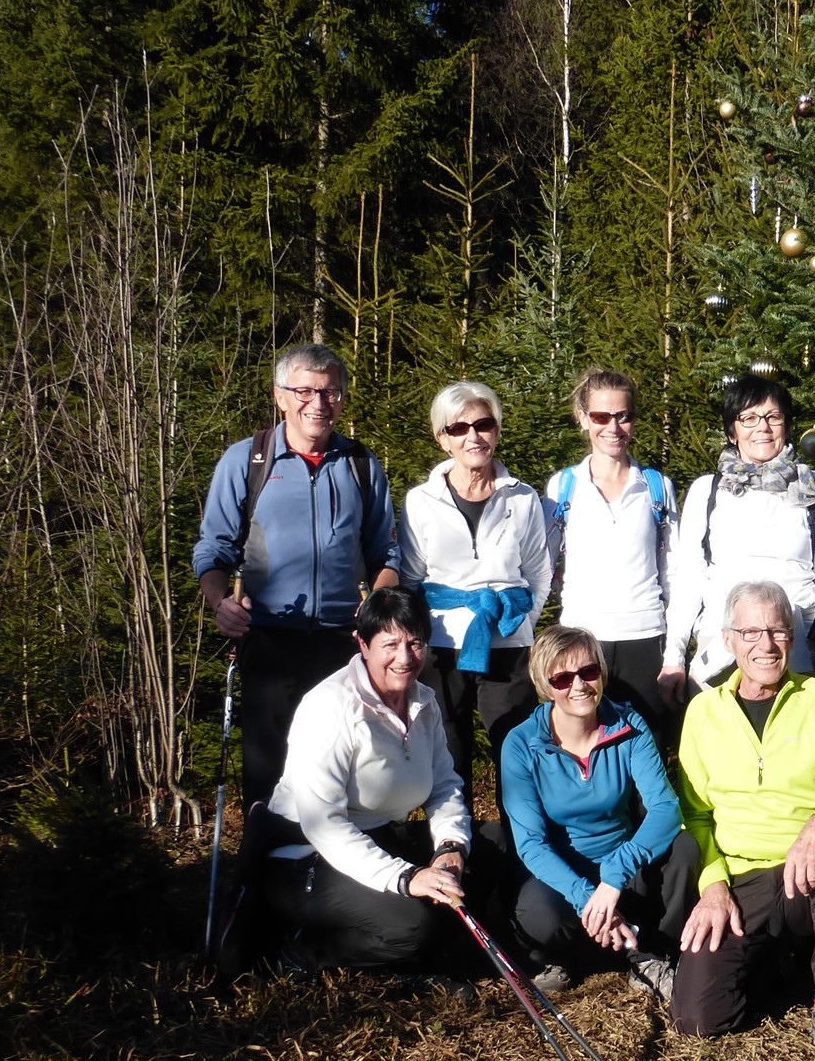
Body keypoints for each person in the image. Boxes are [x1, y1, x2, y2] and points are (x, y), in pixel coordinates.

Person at [671, 582, 815, 1061]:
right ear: (727, 640)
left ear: (791, 635)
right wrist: (714, 885)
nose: (765, 644)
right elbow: (695, 815)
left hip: (811, 874)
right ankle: (780, 966)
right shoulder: (703, 712)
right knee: (699, 1017)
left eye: (777, 630)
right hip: (741, 879)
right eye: (750, 632)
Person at [193, 345, 400, 811]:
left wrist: (377, 606)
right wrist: (220, 601)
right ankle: (264, 874)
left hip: (343, 643)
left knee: (342, 767)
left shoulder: (361, 465)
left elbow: (385, 552)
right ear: (280, 396)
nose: (318, 403)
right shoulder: (247, 461)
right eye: (304, 390)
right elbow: (213, 549)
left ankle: (332, 875)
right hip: (267, 639)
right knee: (269, 771)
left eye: (330, 392)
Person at [259, 586, 473, 973]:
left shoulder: (423, 700)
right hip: (307, 857)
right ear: (363, 643)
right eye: (390, 644)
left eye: (416, 643)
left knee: (484, 855)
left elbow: (444, 785)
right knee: (411, 924)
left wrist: (450, 846)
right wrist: (405, 877)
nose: (405, 658)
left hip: (382, 837)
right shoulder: (330, 706)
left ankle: (412, 954)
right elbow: (323, 825)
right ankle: (302, 952)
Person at [496, 626, 698, 1001]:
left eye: (589, 672)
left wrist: (614, 877)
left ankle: (648, 955)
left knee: (684, 851)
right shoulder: (521, 744)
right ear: (545, 684)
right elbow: (530, 843)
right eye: (562, 677)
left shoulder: (629, 724)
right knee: (539, 917)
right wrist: (587, 897)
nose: (579, 685)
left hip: (623, 863)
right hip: (563, 869)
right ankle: (573, 953)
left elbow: (666, 809)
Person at [399, 381, 554, 795]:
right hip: (443, 646)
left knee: (517, 756)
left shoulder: (522, 498)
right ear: (442, 439)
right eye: (458, 427)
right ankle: (454, 849)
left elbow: (539, 572)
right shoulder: (420, 501)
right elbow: (411, 578)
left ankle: (521, 852)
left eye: (483, 424)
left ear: (497, 430)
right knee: (448, 753)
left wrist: (523, 623)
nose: (473, 435)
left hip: (507, 643)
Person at [659, 374, 815, 697]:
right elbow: (689, 580)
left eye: (773, 417)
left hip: (798, 657)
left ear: (787, 426)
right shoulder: (706, 492)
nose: (762, 427)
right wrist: (674, 659)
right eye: (748, 418)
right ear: (732, 432)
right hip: (721, 660)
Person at [545, 369, 679, 750]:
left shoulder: (656, 487)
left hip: (644, 638)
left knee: (646, 752)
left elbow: (676, 575)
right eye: (601, 417)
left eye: (623, 416)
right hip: (582, 640)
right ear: (583, 418)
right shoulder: (563, 488)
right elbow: (541, 565)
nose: (613, 427)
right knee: (581, 751)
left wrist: (674, 656)